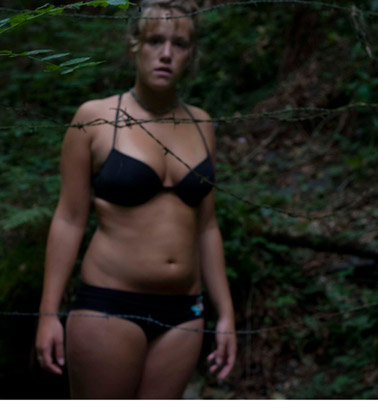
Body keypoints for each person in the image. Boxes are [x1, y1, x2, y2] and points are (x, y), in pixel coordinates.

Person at [35, 0, 236, 399]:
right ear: (134, 44)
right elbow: (70, 219)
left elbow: (207, 226)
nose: (166, 54)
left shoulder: (201, 124)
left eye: (179, 44)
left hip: (185, 315)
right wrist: (47, 314)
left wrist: (226, 313)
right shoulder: (94, 118)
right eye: (155, 40)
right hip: (108, 306)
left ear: (191, 54)